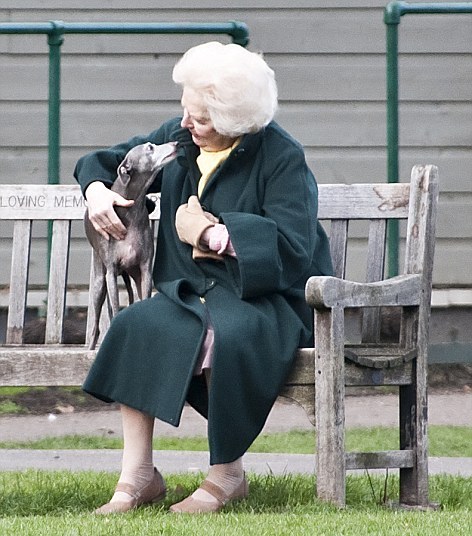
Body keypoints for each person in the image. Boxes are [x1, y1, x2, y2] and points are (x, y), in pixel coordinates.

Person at [74, 41, 333, 515]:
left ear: (236, 123)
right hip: (189, 292)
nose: (188, 125)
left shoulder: (282, 158)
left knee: (222, 335)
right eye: (187, 112)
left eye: (202, 119)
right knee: (137, 323)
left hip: (263, 299)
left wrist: (216, 234)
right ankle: (139, 476)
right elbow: (105, 161)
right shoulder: (181, 136)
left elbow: (294, 250)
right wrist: (96, 192)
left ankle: (227, 475)